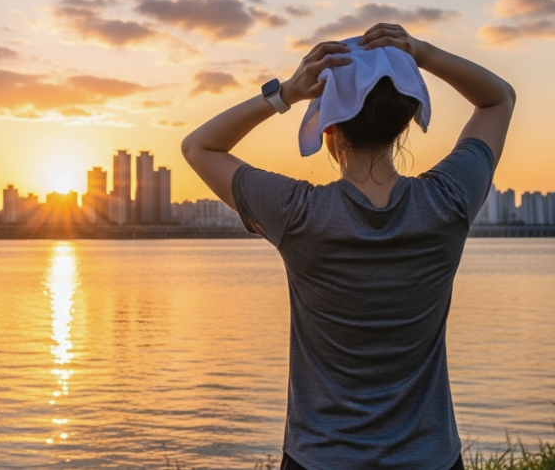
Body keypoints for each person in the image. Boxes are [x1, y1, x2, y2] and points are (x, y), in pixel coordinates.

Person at [181, 23, 515, 470]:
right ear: (405, 123)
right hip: (429, 459)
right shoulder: (448, 201)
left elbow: (199, 146)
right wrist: (421, 52)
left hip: (320, 458)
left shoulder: (297, 213)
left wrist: (286, 93)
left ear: (328, 130)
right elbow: (498, 98)